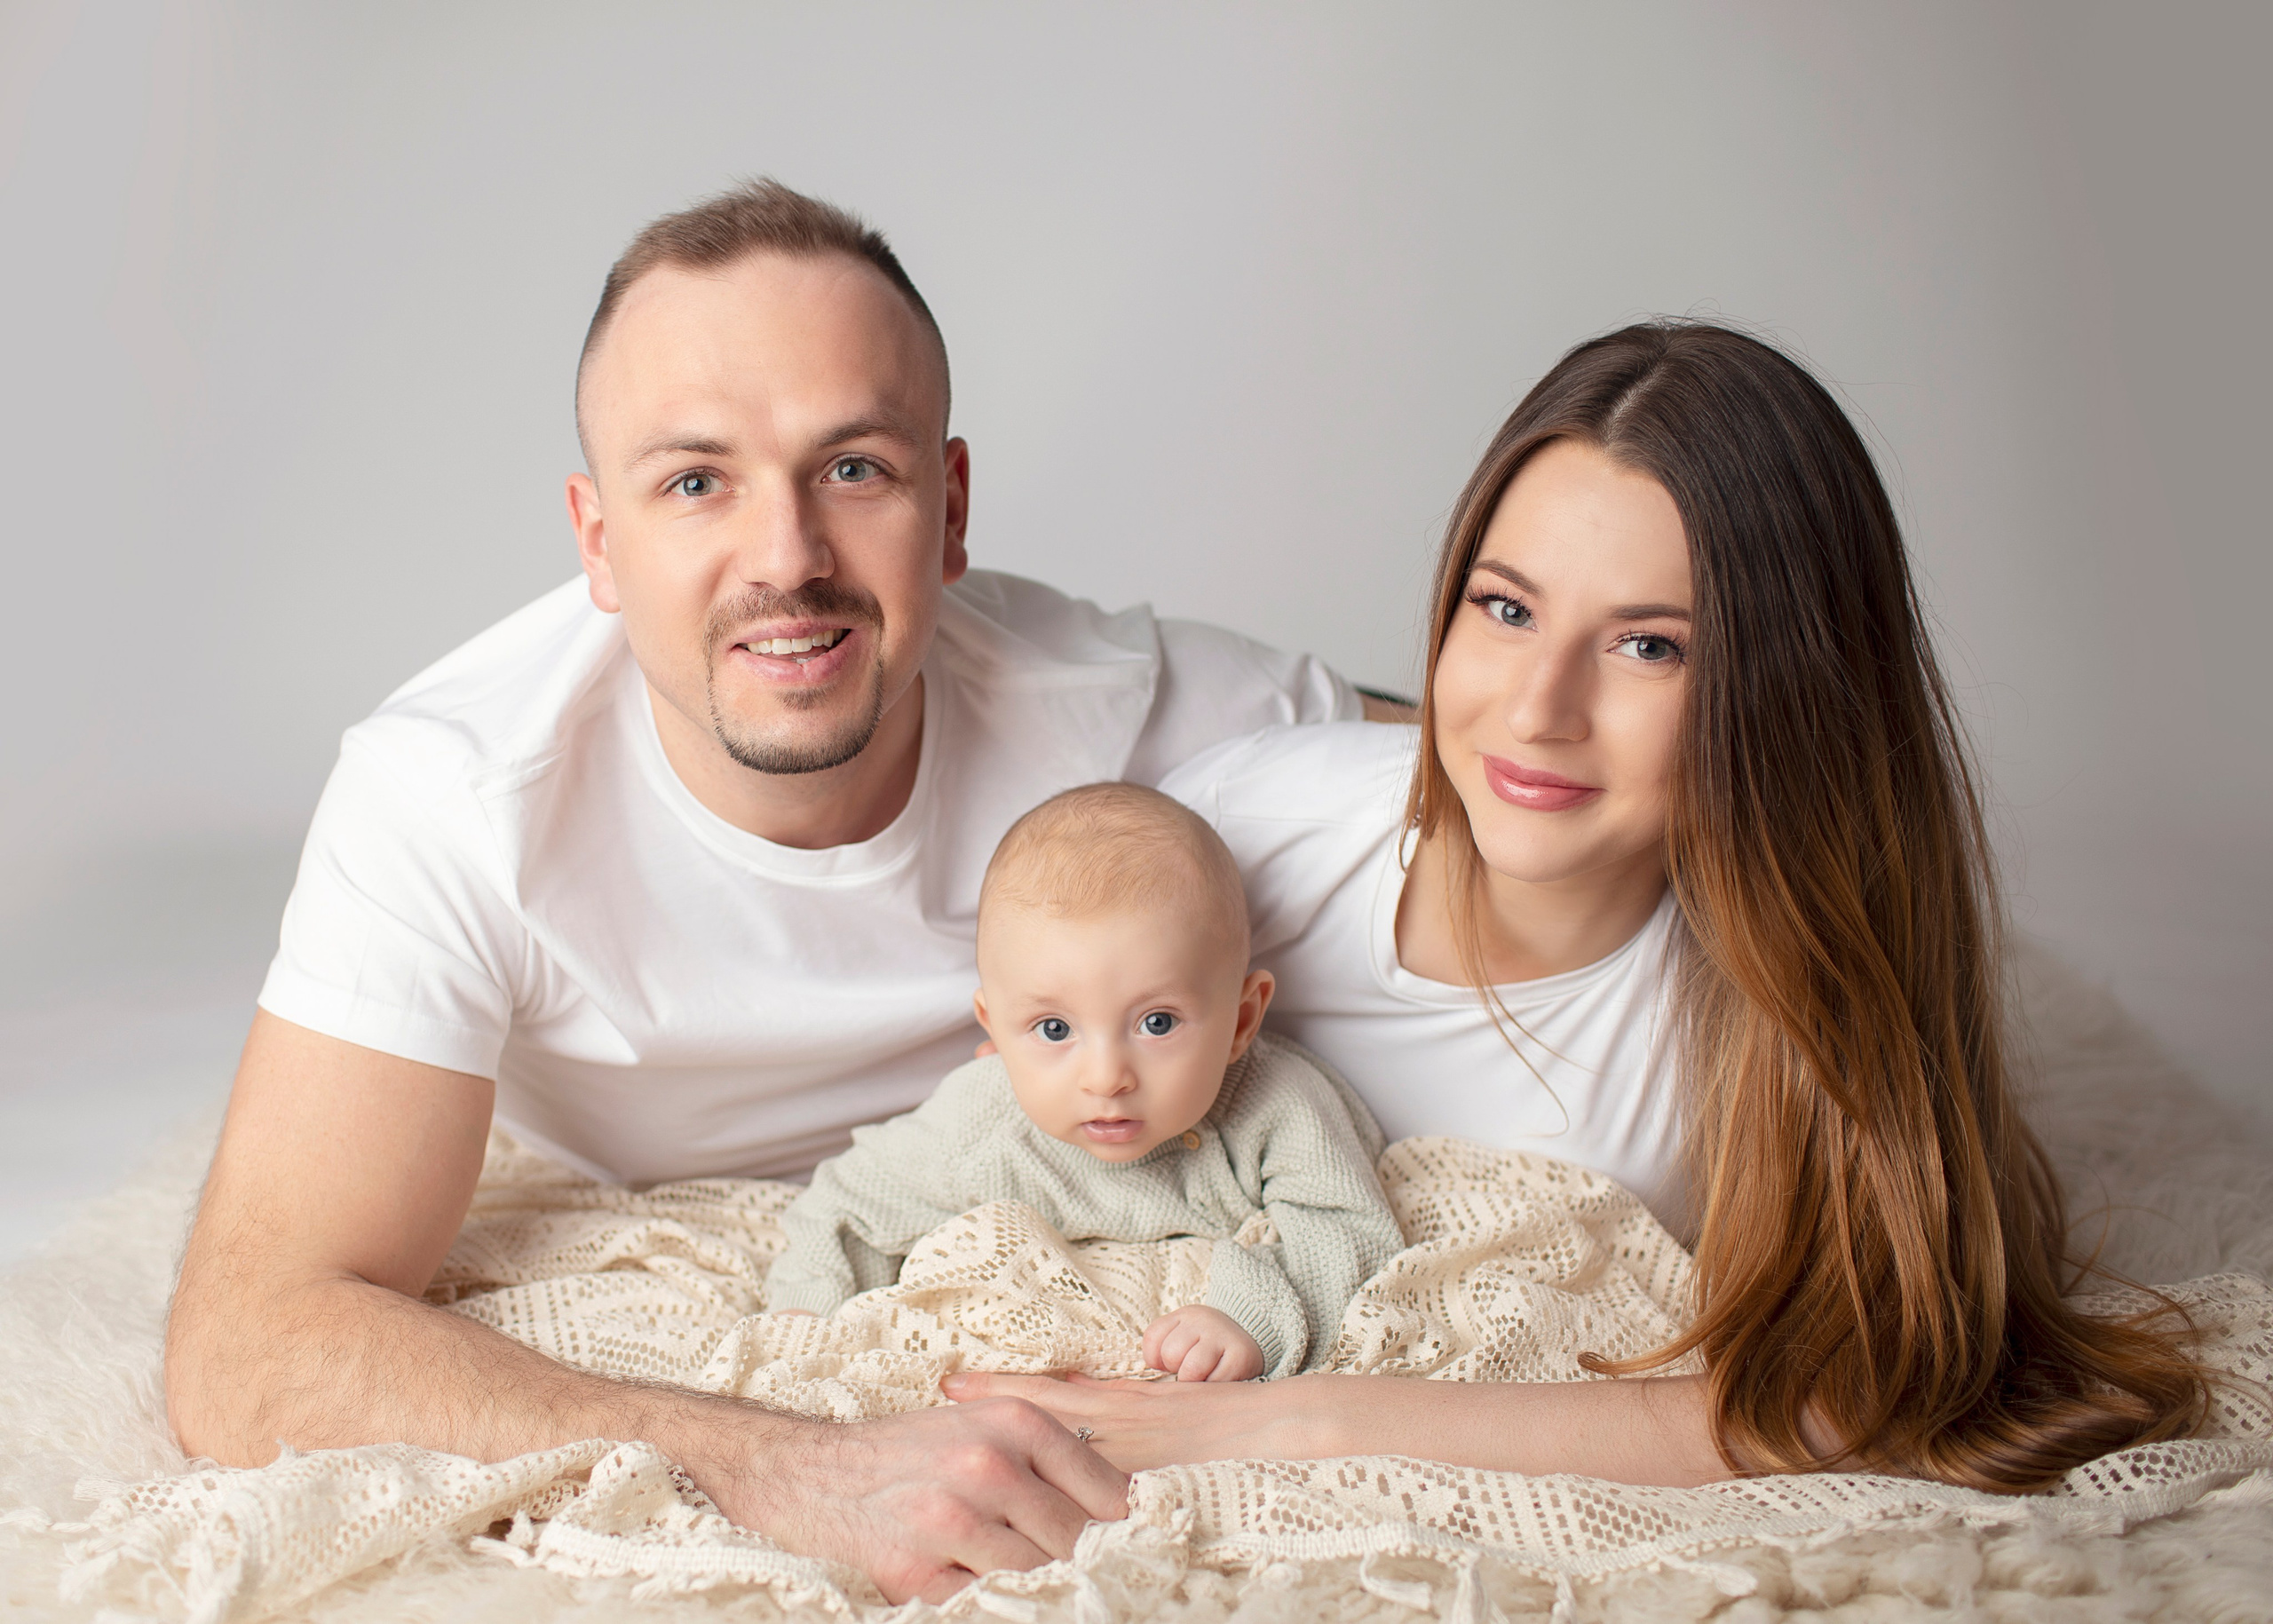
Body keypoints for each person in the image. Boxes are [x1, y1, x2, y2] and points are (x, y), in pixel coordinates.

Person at [162, 178, 1404, 1605]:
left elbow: (1487, 747)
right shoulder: (453, 796)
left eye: (854, 470)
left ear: (950, 511)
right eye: (696, 481)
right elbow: (246, 1342)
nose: (787, 560)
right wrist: (781, 1463)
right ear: (596, 540)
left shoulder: (1114, 709)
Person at [945, 320, 2208, 1493]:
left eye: (1648, 644)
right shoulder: (1243, 843)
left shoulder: (1771, 1007)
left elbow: (1862, 1386)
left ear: (1783, 695)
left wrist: (1312, 1416)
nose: (1539, 706)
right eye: (1505, 609)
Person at [770, 781, 1405, 1383]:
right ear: (995, 1033)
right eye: (1052, 1029)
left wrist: (1248, 1319)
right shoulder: (985, 1119)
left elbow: (1350, 1234)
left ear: (1241, 1020)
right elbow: (849, 1205)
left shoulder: (1281, 1106)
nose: (1106, 1077)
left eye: (1157, 1022)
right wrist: (812, 1316)